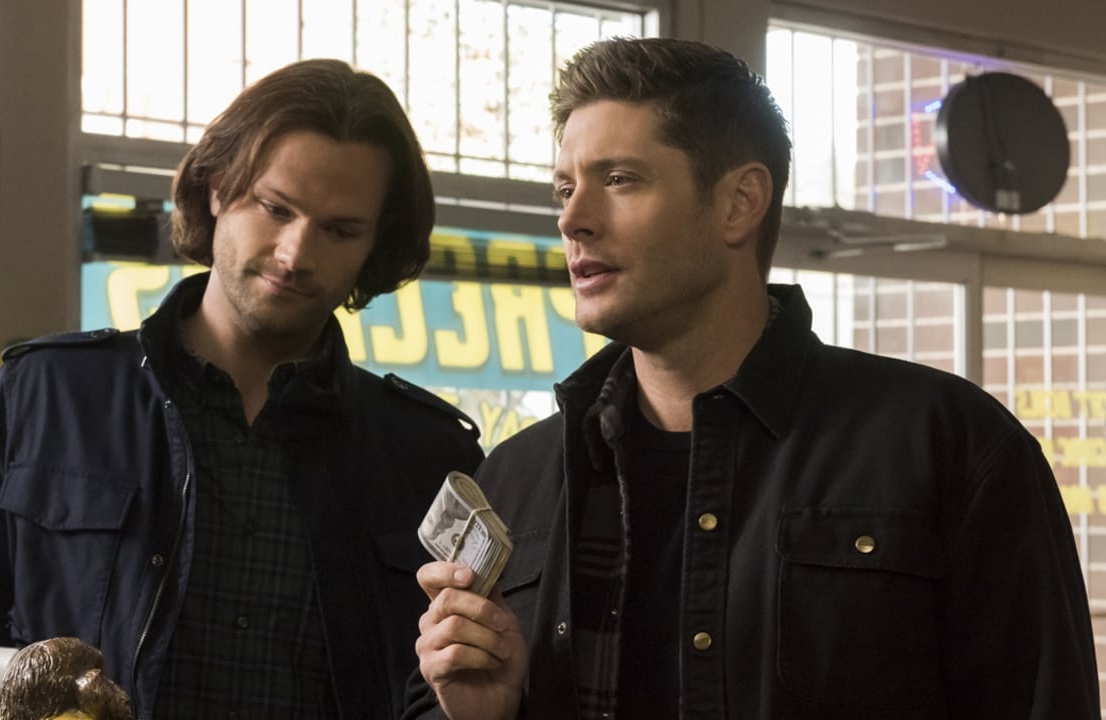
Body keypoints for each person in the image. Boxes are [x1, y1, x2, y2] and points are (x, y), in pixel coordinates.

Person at [406, 37, 1099, 720]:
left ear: (740, 203)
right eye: (565, 188)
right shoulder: (515, 480)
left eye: (619, 180)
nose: (573, 220)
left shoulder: (948, 448)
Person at [0, 58, 483, 720]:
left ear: (376, 244)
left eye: (340, 230)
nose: (295, 253)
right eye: (275, 208)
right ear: (218, 188)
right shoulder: (46, 396)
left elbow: (460, 694)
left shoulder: (425, 456)